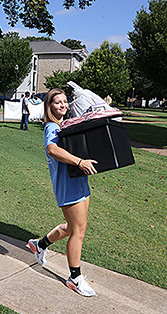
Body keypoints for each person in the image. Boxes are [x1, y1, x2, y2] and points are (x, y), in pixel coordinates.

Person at [28, 88, 98, 297]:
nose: (63, 105)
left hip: (80, 182)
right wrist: (79, 161)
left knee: (72, 227)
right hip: (68, 186)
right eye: (57, 102)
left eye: (65, 102)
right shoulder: (51, 127)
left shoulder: (64, 125)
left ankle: (39, 245)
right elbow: (52, 149)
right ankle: (74, 278)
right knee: (78, 232)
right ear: (49, 106)